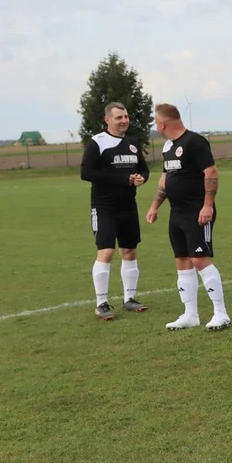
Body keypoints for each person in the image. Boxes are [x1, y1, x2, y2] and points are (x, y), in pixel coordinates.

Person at [146, 103, 231, 331]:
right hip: (177, 213)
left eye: (156, 122)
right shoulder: (168, 147)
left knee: (200, 260)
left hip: (197, 212)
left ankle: (221, 313)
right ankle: (190, 314)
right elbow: (165, 177)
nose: (156, 126)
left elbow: (210, 172)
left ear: (163, 123)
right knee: (182, 261)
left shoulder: (195, 142)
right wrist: (154, 206)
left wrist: (207, 205)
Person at [80, 101, 150, 320]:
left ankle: (130, 299)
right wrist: (123, 179)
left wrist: (141, 178)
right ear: (107, 119)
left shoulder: (132, 143)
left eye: (126, 116)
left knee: (129, 251)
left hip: (128, 205)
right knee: (107, 252)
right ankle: (101, 303)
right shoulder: (97, 142)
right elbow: (86, 173)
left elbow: (144, 169)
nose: (124, 120)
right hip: (104, 207)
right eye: (119, 117)